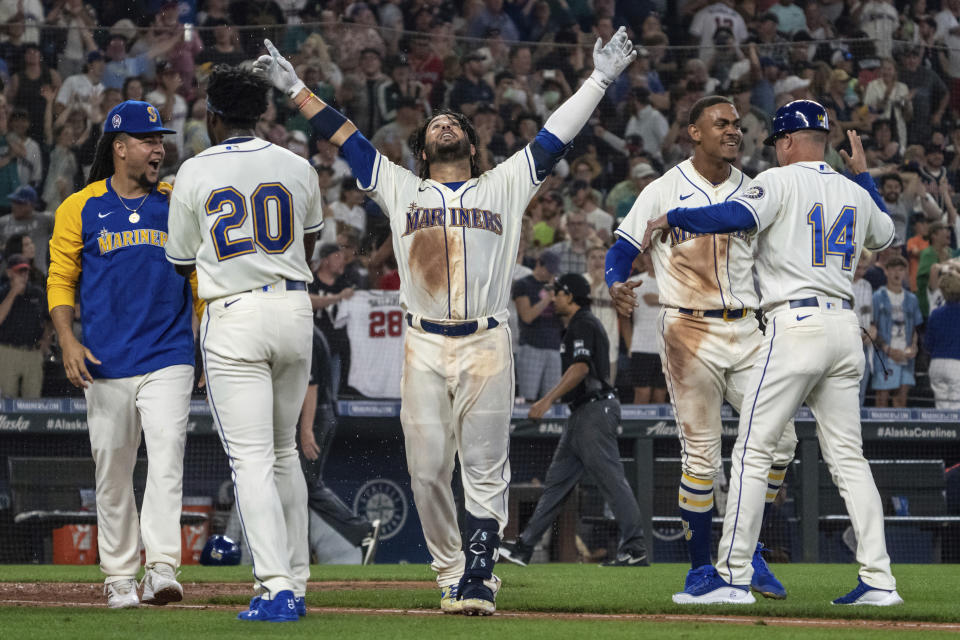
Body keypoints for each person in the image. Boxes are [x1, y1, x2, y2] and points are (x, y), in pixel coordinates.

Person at [254, 29, 637, 615]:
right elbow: (347, 138)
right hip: (423, 344)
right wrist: (294, 89)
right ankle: (450, 570)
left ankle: (480, 574)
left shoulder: (504, 183)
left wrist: (600, 78)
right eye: (435, 124)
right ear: (423, 149)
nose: (444, 123)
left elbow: (557, 134)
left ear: (471, 145)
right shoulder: (402, 186)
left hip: (485, 338)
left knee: (485, 466)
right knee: (427, 469)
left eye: (454, 121)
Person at [640, 101, 902, 606]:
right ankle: (879, 580)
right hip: (847, 329)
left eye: (776, 142)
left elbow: (734, 213)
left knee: (753, 451)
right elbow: (887, 236)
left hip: (796, 324)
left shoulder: (779, 182)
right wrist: (865, 176)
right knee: (850, 459)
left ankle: (733, 576)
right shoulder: (852, 189)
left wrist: (675, 213)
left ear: (785, 141)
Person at [605, 95, 795, 600]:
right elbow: (623, 246)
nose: (734, 131)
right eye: (721, 124)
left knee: (784, 442)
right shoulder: (663, 188)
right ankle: (699, 571)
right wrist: (614, 282)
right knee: (703, 459)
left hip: (749, 329)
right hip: (689, 331)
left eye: (736, 124)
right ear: (694, 132)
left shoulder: (753, 189)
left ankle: (745, 552)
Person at [164, 65, 324, 623]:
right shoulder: (296, 163)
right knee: (283, 455)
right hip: (294, 306)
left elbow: (181, 260)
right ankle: (297, 583)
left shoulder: (193, 170)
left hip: (233, 311)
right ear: (263, 113)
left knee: (251, 459)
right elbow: (311, 236)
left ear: (211, 114)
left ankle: (276, 585)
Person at [46, 100, 195, 609]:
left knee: (168, 453)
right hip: (105, 359)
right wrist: (67, 339)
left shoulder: (177, 201)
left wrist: (201, 338)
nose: (159, 148)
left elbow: (198, 276)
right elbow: (61, 278)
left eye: (160, 139)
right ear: (120, 147)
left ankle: (160, 568)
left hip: (169, 352)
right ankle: (117, 575)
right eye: (148, 140)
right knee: (111, 465)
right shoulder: (79, 207)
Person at [499, 273, 648, 568]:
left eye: (557, 293)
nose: (553, 298)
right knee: (556, 484)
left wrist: (546, 399)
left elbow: (580, 368)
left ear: (569, 295)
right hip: (582, 413)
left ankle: (635, 548)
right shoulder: (576, 325)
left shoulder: (583, 323)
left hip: (595, 411)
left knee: (611, 481)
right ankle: (524, 548)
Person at [299, 322, 381, 564]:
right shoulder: (309, 330)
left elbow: (310, 386)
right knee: (298, 487)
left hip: (314, 416)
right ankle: (299, 551)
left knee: (307, 485)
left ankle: (361, 530)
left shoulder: (306, 333)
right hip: (316, 415)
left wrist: (306, 429)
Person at [870, 256, 922, 408]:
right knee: (882, 397)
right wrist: (888, 349)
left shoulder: (912, 299)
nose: (896, 273)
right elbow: (872, 328)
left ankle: (899, 431)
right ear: (886, 271)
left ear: (906, 272)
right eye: (892, 269)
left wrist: (914, 346)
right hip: (884, 356)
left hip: (906, 357)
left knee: (901, 398)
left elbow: (914, 329)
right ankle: (878, 431)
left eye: (900, 269)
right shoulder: (878, 297)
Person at [513, 251, 563, 402]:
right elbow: (527, 317)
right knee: (528, 397)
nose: (550, 274)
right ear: (539, 263)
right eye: (549, 270)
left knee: (553, 399)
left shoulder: (557, 286)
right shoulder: (523, 284)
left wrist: (560, 300)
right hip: (531, 346)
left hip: (554, 346)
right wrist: (547, 299)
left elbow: (565, 319)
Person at [0, 253, 49, 398]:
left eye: (26, 271)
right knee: (6, 400)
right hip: (7, 351)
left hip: (33, 352)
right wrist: (13, 292)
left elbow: (49, 319)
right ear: (9, 273)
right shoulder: (2, 292)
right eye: (19, 271)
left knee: (34, 400)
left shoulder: (37, 293)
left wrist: (46, 339)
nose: (23, 275)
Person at [925, 269, 960, 409]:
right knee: (956, 410)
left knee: (941, 411)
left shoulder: (936, 313)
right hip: (956, 364)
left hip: (936, 364)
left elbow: (928, 344)